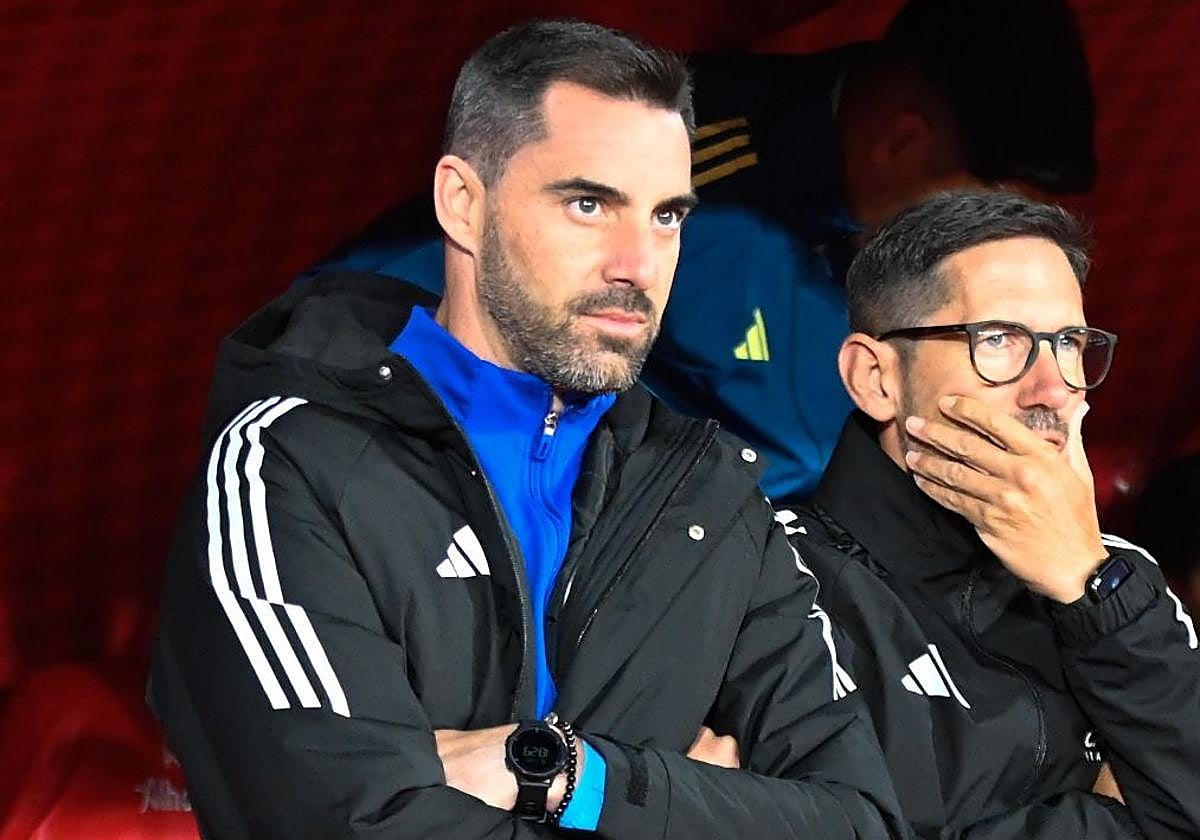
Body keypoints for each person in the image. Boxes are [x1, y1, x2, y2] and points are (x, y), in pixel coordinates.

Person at [148, 20, 904, 839]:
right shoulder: (287, 465)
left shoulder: (711, 499)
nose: (639, 264)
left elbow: (861, 823)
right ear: (462, 203)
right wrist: (702, 808)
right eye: (589, 204)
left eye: (667, 217)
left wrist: (570, 776)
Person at [304, 0, 1096, 502]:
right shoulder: (682, 162)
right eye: (987, 206)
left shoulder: (884, 242)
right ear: (902, 142)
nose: (994, 243)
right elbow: (393, 291)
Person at [777, 189, 1200, 838]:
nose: (1053, 388)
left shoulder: (1118, 578)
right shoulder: (774, 577)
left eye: (1069, 343)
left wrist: (1087, 586)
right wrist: (1120, 816)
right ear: (876, 378)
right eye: (998, 339)